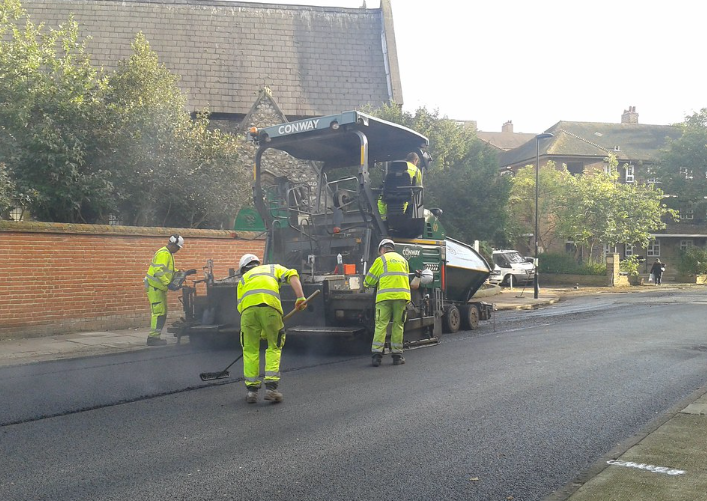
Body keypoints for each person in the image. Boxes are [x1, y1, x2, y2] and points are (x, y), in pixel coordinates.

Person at [237, 254, 307, 404]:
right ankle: (271, 390)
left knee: (250, 350)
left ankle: (251, 392)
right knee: (274, 346)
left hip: (247, 314)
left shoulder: (243, 279)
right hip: (271, 309)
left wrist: (257, 329)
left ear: (243, 268)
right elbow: (293, 275)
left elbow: (240, 306)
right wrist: (300, 297)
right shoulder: (273, 268)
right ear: (257, 263)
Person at [364, 238, 414, 367]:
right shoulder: (403, 260)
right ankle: (397, 357)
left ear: (382, 249)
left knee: (381, 326)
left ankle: (376, 357)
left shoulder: (380, 260)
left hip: (384, 299)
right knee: (398, 325)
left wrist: (365, 284)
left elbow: (369, 281)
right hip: (401, 298)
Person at [144, 234, 184, 346]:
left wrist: (178, 271)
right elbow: (158, 271)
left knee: (162, 312)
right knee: (158, 313)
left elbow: (167, 269)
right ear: (172, 245)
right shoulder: (164, 254)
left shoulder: (168, 253)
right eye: (178, 248)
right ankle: (153, 338)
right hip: (155, 287)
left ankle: (156, 336)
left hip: (159, 288)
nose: (178, 250)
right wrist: (168, 283)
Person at [377, 152, 423, 220]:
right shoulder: (417, 170)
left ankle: (382, 219)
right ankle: (399, 219)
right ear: (415, 160)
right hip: (405, 194)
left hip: (389, 192)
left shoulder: (394, 170)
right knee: (403, 206)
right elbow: (419, 186)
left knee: (381, 201)